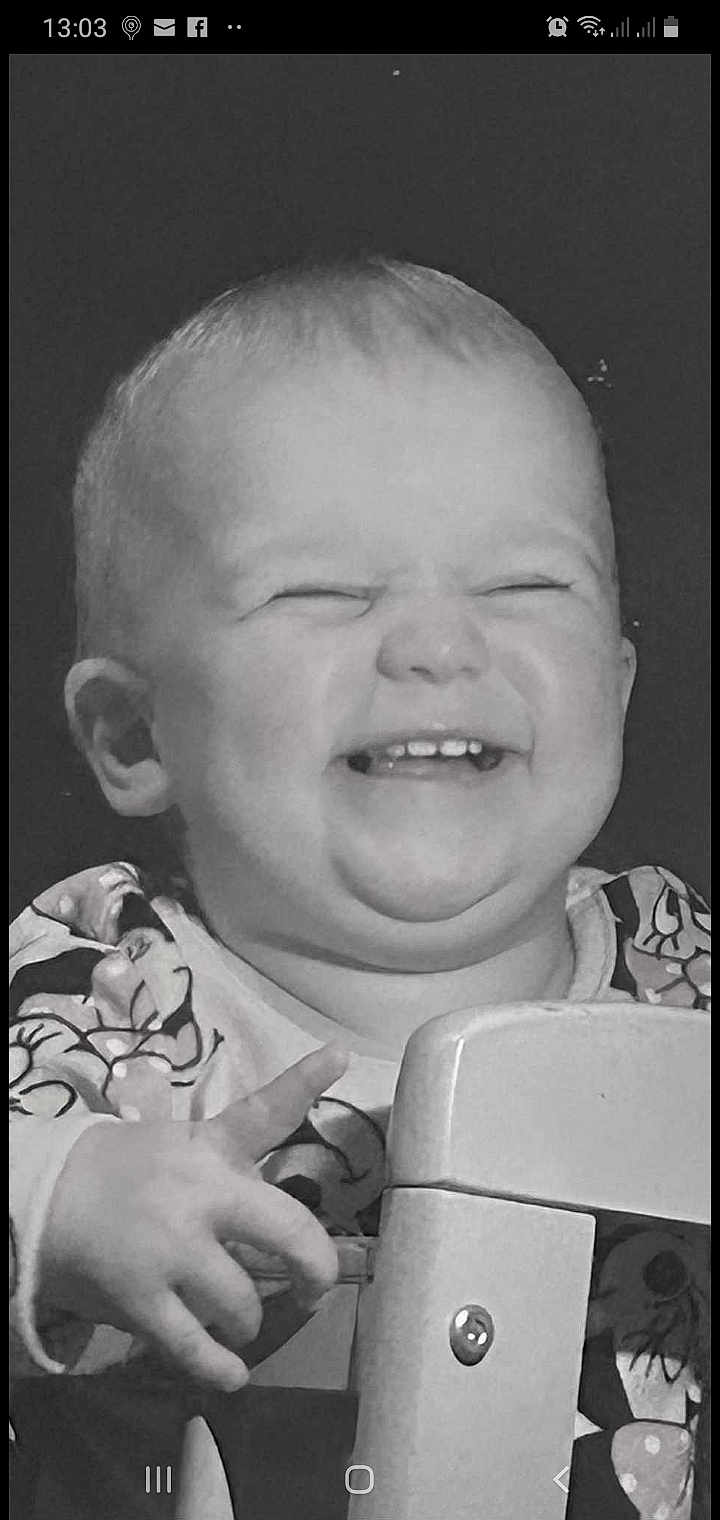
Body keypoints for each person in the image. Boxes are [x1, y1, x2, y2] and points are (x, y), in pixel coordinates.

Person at [10, 258, 710, 1519]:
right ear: (132, 731)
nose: (439, 646)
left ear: (615, 684)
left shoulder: (685, 967)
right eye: (322, 592)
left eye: (525, 585)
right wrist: (56, 1198)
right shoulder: (108, 985)